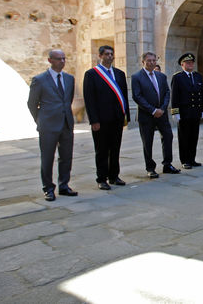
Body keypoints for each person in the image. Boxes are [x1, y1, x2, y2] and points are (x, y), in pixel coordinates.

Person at [27, 49, 76, 201]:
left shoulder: (69, 79)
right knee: (47, 157)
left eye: (64, 58)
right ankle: (48, 188)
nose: (62, 61)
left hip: (66, 123)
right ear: (50, 60)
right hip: (48, 125)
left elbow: (68, 100)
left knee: (66, 157)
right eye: (58, 59)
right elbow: (32, 103)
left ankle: (64, 185)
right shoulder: (40, 80)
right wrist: (40, 120)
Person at [83, 45, 130, 190]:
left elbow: (124, 96)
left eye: (111, 54)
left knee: (115, 149)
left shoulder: (119, 74)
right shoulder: (91, 74)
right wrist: (94, 120)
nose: (110, 56)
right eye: (107, 54)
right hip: (101, 120)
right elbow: (89, 99)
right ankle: (101, 178)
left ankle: (114, 176)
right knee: (102, 150)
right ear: (100, 56)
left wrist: (125, 116)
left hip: (116, 118)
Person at [132, 52, 179, 178]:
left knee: (168, 136)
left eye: (154, 60)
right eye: (149, 61)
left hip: (162, 114)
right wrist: (153, 110)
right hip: (146, 115)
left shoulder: (161, 76)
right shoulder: (137, 77)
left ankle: (167, 164)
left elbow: (167, 92)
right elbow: (137, 96)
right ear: (143, 62)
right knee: (147, 142)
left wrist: (162, 108)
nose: (152, 63)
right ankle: (150, 168)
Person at [170, 53, 203, 169]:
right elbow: (174, 96)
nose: (190, 64)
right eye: (187, 62)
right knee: (184, 137)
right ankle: (185, 160)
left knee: (194, 136)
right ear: (182, 64)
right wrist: (175, 112)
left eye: (191, 62)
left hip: (195, 112)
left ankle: (192, 159)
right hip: (184, 113)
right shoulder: (178, 77)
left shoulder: (197, 76)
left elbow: (202, 94)